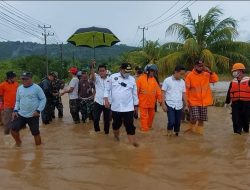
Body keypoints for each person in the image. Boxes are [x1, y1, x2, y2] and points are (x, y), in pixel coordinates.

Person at [104, 63, 139, 147]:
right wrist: (106, 99)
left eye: (129, 71)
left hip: (128, 107)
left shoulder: (132, 79)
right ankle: (116, 138)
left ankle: (132, 144)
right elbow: (107, 89)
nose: (127, 73)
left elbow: (134, 94)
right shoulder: (112, 77)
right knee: (116, 125)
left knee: (129, 125)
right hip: (116, 107)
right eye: (125, 71)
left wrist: (136, 106)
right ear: (121, 69)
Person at [11, 72, 46, 146]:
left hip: (33, 115)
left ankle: (39, 150)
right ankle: (18, 142)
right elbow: (17, 100)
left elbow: (43, 99)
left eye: (26, 79)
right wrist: (15, 110)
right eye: (22, 79)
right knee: (13, 130)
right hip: (21, 114)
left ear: (30, 79)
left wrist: (38, 110)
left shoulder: (37, 88)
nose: (24, 80)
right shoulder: (19, 88)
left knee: (35, 133)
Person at [185, 59, 219, 135]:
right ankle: (191, 131)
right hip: (193, 101)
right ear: (195, 66)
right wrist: (186, 102)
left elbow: (215, 79)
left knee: (201, 119)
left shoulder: (207, 74)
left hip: (204, 101)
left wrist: (210, 71)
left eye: (202, 66)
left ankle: (199, 134)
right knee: (195, 118)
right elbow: (186, 90)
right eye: (199, 66)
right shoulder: (190, 76)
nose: (201, 67)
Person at [162, 66, 188, 136]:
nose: (182, 76)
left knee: (178, 122)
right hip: (169, 104)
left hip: (179, 104)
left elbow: (184, 94)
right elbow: (163, 92)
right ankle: (169, 133)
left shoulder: (182, 82)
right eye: (181, 74)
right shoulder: (167, 80)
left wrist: (186, 105)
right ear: (176, 72)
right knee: (171, 121)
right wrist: (163, 104)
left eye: (183, 74)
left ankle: (176, 134)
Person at [225, 63, 250, 135]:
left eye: (235, 70)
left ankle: (246, 132)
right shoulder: (233, 81)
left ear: (241, 71)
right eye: (233, 71)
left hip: (247, 103)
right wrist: (227, 102)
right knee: (235, 119)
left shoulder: (248, 80)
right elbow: (229, 92)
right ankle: (237, 133)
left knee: (245, 119)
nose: (234, 72)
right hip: (235, 103)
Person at [136, 64, 162, 132]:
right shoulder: (140, 79)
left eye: (154, 72)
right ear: (147, 71)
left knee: (152, 115)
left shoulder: (153, 79)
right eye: (152, 71)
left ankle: (149, 126)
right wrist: (135, 102)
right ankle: (144, 129)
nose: (153, 73)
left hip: (152, 102)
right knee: (144, 116)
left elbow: (158, 90)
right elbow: (136, 91)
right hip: (143, 102)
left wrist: (160, 99)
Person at [90, 64, 111, 134]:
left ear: (106, 71)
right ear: (98, 72)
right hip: (98, 102)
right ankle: (97, 132)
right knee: (95, 119)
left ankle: (106, 133)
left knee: (107, 120)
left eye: (103, 71)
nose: (101, 72)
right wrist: (92, 67)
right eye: (100, 71)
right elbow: (92, 77)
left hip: (107, 102)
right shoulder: (97, 78)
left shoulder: (110, 79)